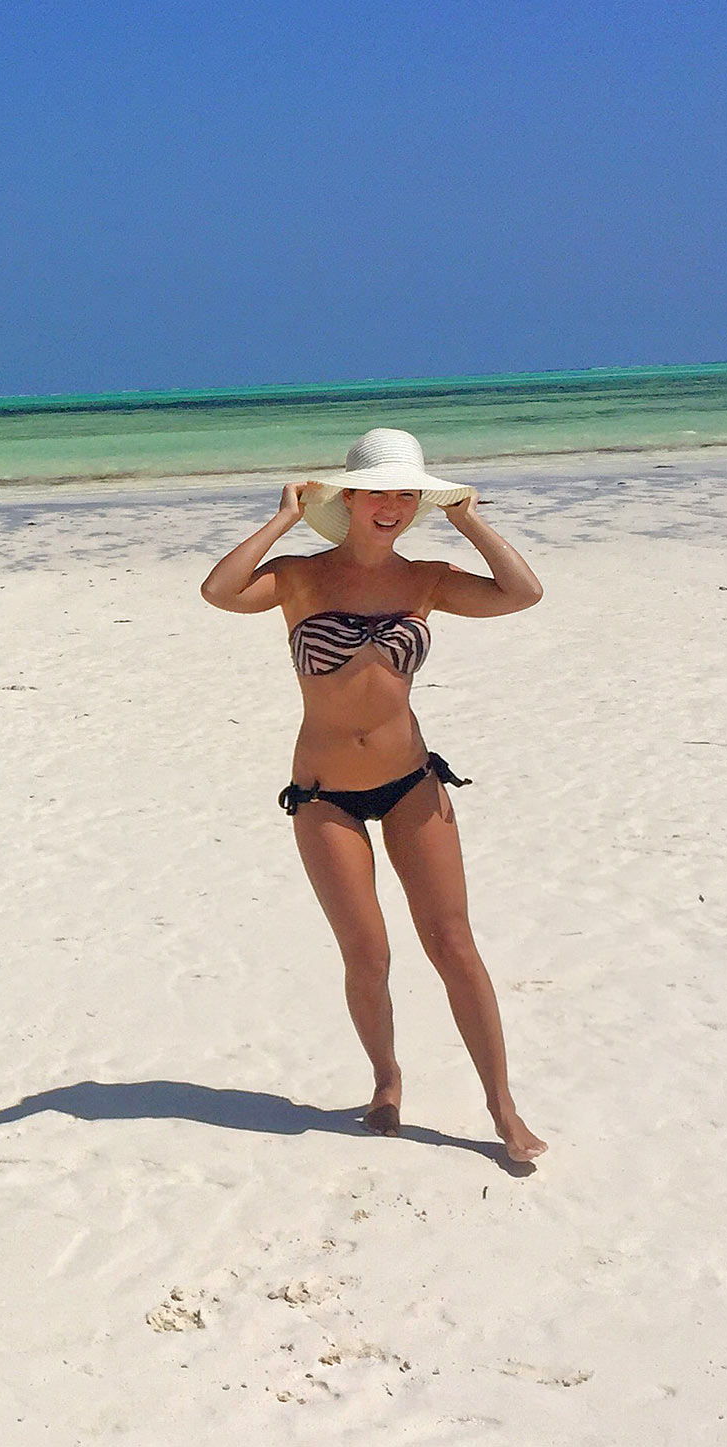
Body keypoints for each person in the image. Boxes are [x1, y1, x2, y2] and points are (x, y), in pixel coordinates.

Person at [200, 428, 547, 1163]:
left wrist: (467, 519)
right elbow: (219, 591)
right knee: (368, 954)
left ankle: (502, 1105)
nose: (393, 505)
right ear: (349, 498)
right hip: (324, 795)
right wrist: (283, 519)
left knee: (453, 943)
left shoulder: (428, 579)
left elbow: (523, 593)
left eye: (408, 494)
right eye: (379, 492)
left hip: (412, 782)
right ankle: (387, 1079)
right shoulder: (297, 577)